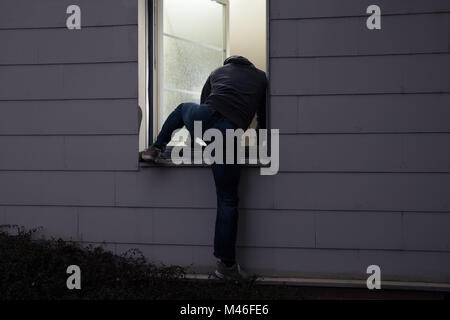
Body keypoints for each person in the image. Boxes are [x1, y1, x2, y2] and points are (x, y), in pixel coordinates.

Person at [142, 56, 267, 280]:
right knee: (227, 199)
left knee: (182, 109)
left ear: (229, 63)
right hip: (229, 134)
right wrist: (262, 146)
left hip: (204, 117)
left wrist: (195, 137)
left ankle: (156, 148)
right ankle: (226, 267)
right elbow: (263, 117)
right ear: (249, 65)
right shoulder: (261, 78)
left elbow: (203, 101)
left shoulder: (218, 71)